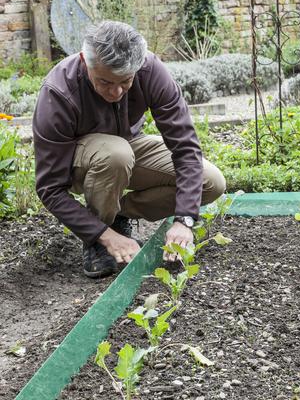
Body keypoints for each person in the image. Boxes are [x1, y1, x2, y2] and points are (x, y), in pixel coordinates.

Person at [33, 20, 226, 278]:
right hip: (80, 162)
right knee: (115, 154)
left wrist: (185, 220)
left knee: (211, 182)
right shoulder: (58, 92)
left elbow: (185, 148)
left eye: (125, 81)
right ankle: (97, 238)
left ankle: (117, 214)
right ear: (84, 60)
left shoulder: (150, 70)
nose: (116, 91)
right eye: (104, 82)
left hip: (127, 147)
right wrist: (104, 236)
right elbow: (50, 188)